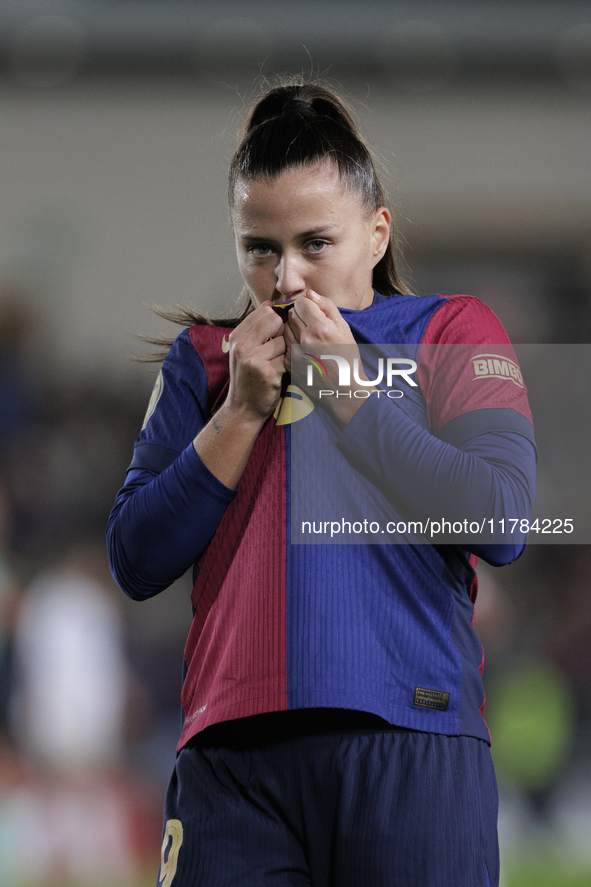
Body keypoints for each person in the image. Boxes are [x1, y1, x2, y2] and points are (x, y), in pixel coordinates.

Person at [107, 80, 536, 887]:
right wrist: (237, 414)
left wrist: (349, 392)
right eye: (259, 247)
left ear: (375, 234)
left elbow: (502, 516)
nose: (286, 277)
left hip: (413, 740)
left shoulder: (450, 329)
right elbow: (134, 557)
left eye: (315, 243)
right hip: (230, 758)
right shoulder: (205, 359)